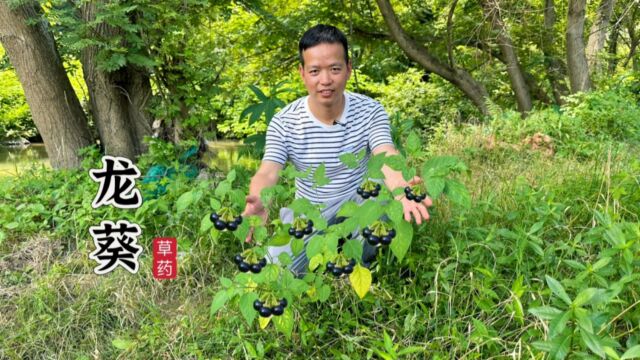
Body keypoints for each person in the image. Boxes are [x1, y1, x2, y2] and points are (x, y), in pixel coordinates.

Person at [242, 24, 432, 276]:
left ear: (348, 69)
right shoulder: (285, 121)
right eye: (314, 71)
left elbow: (384, 153)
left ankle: (355, 262)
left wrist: (400, 186)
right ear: (302, 73)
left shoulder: (370, 111)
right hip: (311, 210)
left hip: (359, 201)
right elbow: (268, 171)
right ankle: (330, 251)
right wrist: (259, 197)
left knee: (381, 197)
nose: (325, 80)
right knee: (276, 272)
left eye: (334, 68)